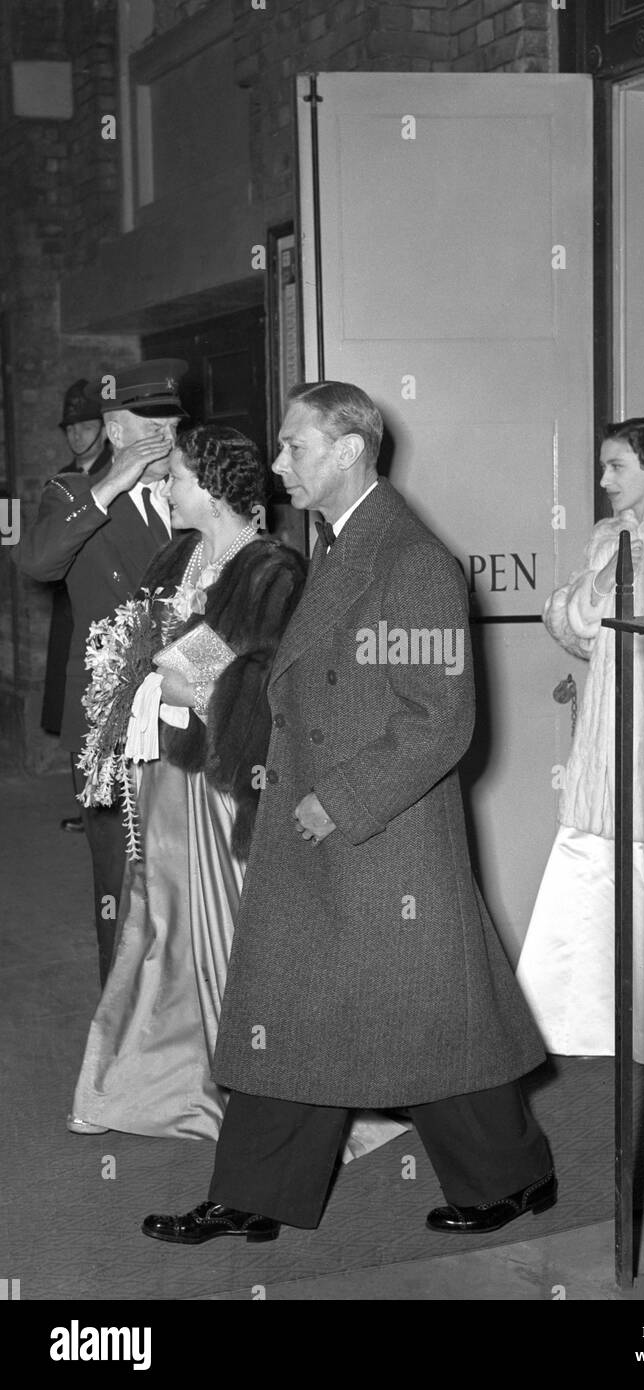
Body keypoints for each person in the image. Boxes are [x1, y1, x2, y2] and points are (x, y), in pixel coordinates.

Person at [140, 380, 555, 1248]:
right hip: (323, 824)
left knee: (429, 1014)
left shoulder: (410, 560)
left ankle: (512, 1178)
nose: (281, 461)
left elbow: (441, 714)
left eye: (296, 446)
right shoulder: (338, 544)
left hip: (379, 834)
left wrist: (342, 797)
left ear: (349, 450)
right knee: (292, 1007)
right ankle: (253, 1195)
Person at [69, 423, 406, 1165]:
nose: (164, 488)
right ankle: (143, 1080)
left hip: (223, 778)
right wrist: (137, 678)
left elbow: (263, 679)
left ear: (215, 488)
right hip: (164, 773)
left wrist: (176, 670)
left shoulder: (273, 570)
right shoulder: (175, 555)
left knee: (225, 926)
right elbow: (153, 649)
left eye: (177, 477)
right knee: (158, 920)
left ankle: (257, 1086)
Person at [515, 418, 644, 1066]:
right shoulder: (606, 535)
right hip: (606, 729)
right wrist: (585, 593)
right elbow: (575, 624)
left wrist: (594, 599)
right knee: (591, 858)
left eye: (616, 466)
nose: (604, 479)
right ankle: (590, 1026)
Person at [18, 361, 187, 986]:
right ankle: (121, 1028)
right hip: (111, 728)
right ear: (116, 433)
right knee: (120, 874)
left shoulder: (191, 495)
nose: (168, 438)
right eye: (152, 426)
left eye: (174, 424)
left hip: (188, 716)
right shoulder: (73, 495)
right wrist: (113, 481)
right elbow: (36, 561)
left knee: (185, 875)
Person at [41, 380, 112, 832]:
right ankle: (90, 809)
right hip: (71, 608)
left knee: (108, 710)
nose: (77, 435)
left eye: (86, 426)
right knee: (76, 713)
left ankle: (108, 811)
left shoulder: (116, 475)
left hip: (107, 606)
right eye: (71, 427)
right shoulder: (62, 477)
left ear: (104, 429)